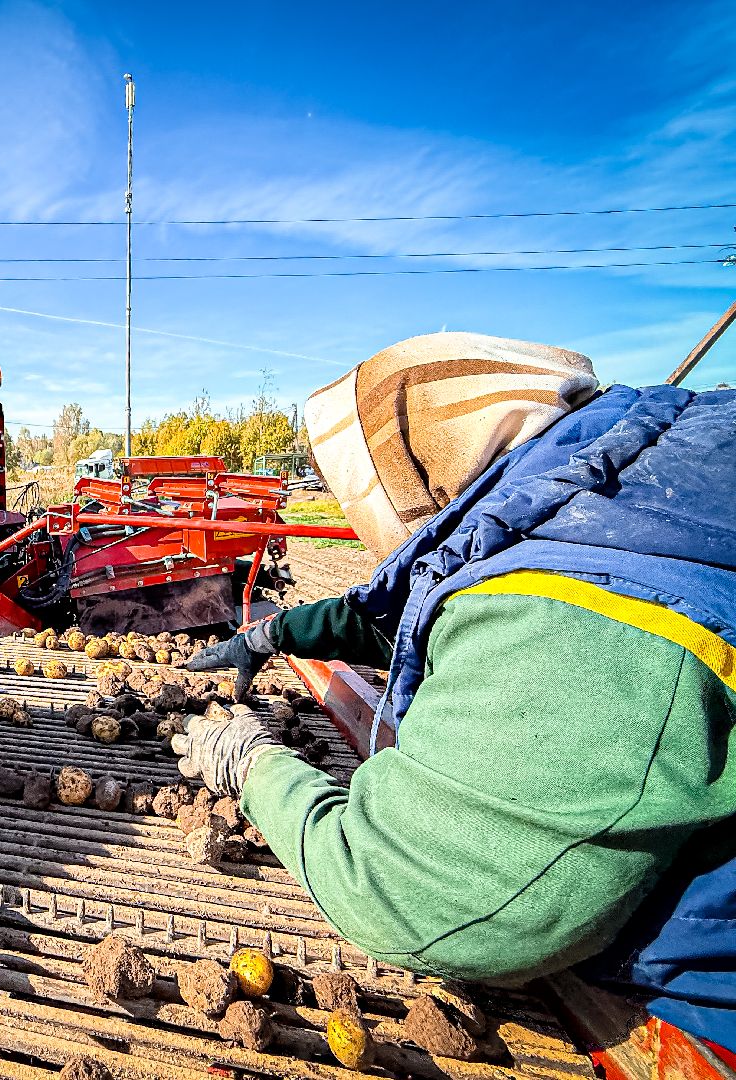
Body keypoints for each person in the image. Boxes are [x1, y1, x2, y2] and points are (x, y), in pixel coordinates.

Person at [175, 332, 736, 1049]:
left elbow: (402, 888)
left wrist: (251, 765)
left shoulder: (576, 611)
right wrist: (276, 634)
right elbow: (419, 600)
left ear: (411, 476)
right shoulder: (617, 483)